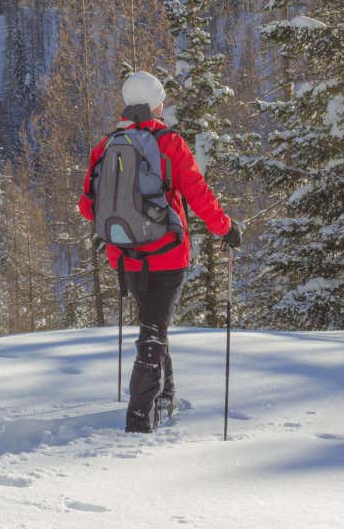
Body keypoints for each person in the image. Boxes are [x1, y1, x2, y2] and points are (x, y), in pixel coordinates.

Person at [78, 71, 242, 433]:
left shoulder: (105, 146)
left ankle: (165, 396)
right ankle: (139, 420)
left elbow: (87, 208)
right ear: (155, 104)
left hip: (125, 255)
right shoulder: (169, 142)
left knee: (153, 323)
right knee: (153, 332)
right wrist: (226, 228)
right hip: (167, 253)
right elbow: (198, 194)